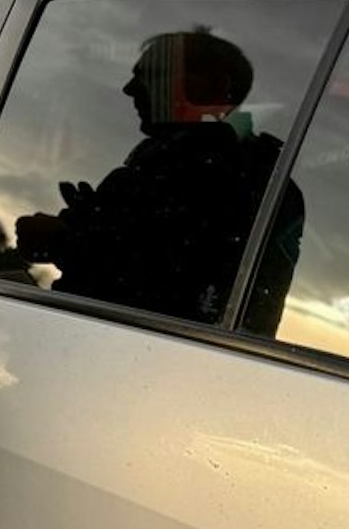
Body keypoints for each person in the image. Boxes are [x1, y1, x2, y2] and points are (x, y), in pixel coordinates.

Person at [15, 29, 296, 326]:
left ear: (214, 87)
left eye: (152, 74)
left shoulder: (209, 171)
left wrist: (61, 239)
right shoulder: (239, 170)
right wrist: (89, 223)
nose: (130, 88)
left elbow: (165, 284)